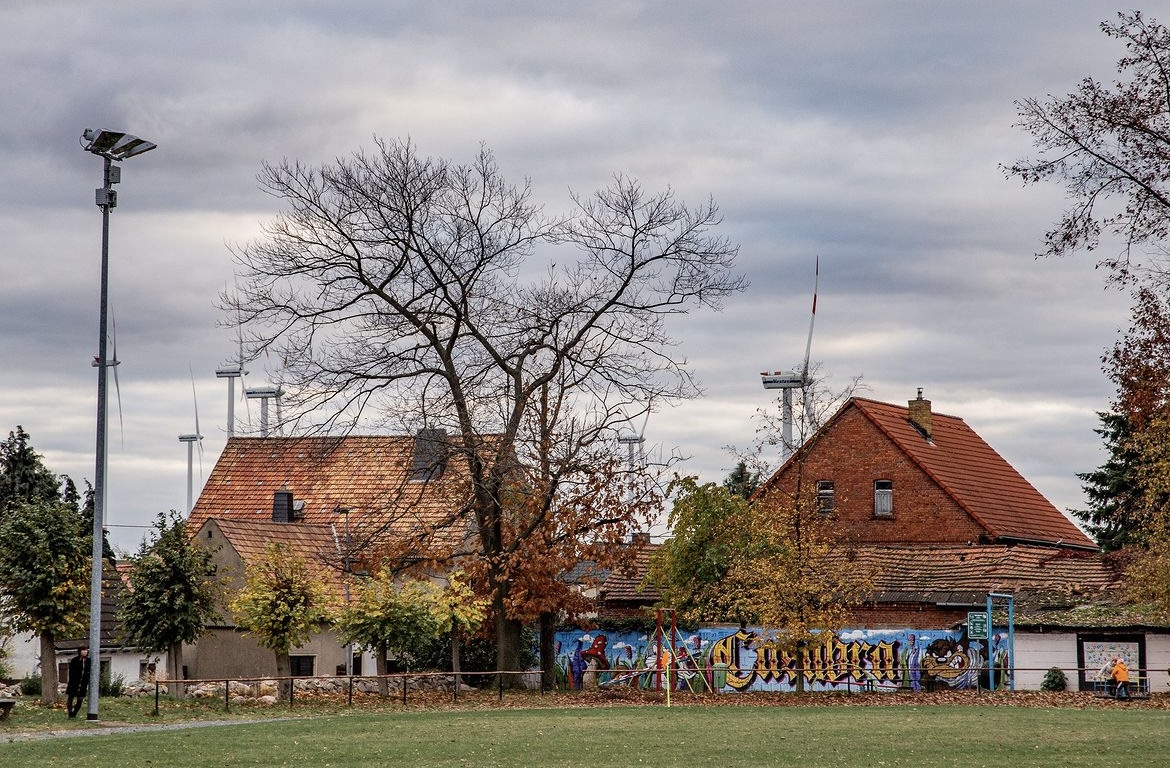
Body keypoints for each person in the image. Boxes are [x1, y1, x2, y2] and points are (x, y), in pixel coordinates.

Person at [66, 646, 91, 718]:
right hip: (74, 682)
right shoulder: (75, 660)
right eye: (83, 650)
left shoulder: (88, 660)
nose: (85, 652)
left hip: (83, 683)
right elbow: (71, 671)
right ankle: (70, 713)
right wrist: (72, 680)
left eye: (86, 650)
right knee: (71, 697)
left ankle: (75, 713)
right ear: (79, 651)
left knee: (80, 699)